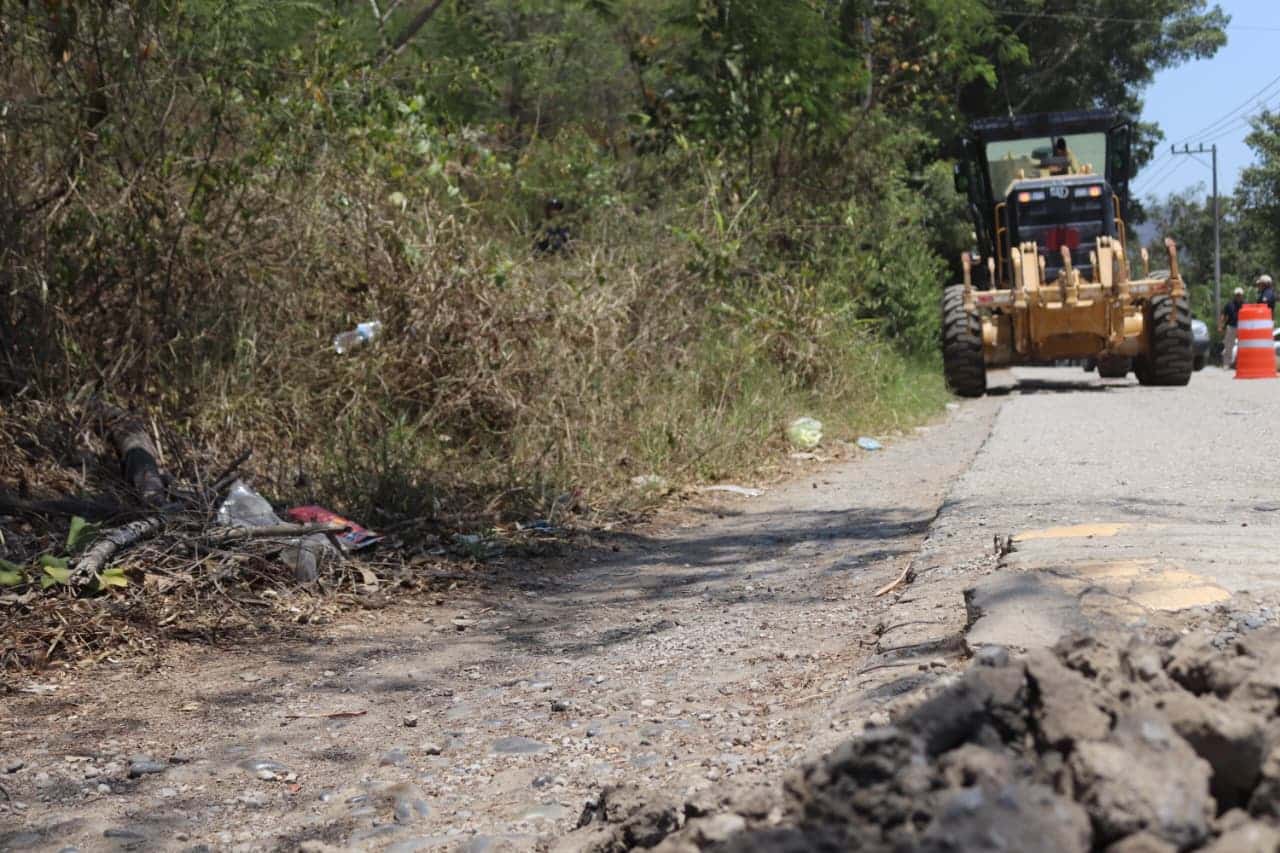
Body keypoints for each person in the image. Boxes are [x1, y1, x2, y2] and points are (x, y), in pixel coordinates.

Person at [1221, 286, 1245, 368]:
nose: (1238, 296)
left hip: (1242, 327)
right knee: (1228, 346)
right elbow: (1223, 314)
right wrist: (1221, 325)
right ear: (1234, 295)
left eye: (1239, 295)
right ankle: (1226, 364)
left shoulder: (1245, 304)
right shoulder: (1229, 304)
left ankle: (1240, 364)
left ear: (1242, 295)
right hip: (1231, 327)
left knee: (1242, 347)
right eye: (1237, 295)